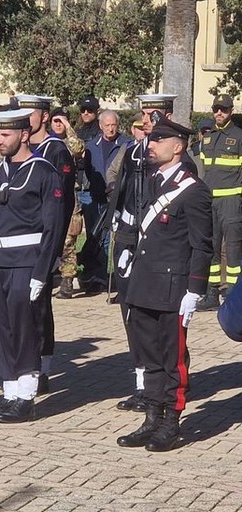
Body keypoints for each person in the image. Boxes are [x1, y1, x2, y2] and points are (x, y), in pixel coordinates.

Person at [116, 116, 212, 452]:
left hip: (172, 289)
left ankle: (171, 422)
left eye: (159, 140)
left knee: (173, 360)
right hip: (144, 284)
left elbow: (202, 246)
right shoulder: (152, 181)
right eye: (151, 139)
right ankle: (152, 417)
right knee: (149, 357)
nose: (151, 145)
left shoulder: (193, 190)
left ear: (178, 146)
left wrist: (195, 290)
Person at [0, 108, 65, 423]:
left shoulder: (43, 172)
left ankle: (26, 397)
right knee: (2, 328)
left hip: (26, 262)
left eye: (6, 135)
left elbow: (53, 226)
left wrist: (42, 273)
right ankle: (10, 392)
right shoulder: (0, 169)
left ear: (24, 135)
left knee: (24, 329)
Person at [105, 93, 178, 412]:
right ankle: (142, 384)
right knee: (132, 314)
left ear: (168, 116)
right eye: (144, 114)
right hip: (128, 237)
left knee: (159, 321)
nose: (146, 120)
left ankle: (167, 386)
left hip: (156, 247)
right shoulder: (133, 151)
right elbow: (120, 189)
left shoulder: (177, 156)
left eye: (154, 114)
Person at [16, 94, 75, 394]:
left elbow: (62, 204)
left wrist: (55, 248)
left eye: (31, 113)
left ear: (44, 116)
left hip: (44, 240)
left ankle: (43, 366)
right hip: (18, 242)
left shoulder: (56, 150)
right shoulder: (19, 146)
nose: (25, 118)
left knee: (39, 307)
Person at [196, 94, 242, 311]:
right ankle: (212, 293)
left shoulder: (239, 136)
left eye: (223, 109)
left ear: (231, 111)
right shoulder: (207, 138)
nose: (219, 113)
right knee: (211, 248)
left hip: (232, 201)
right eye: (216, 109)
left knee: (233, 250)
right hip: (210, 200)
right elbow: (204, 170)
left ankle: (233, 296)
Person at [79, 110, 130, 292]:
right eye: (107, 125)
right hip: (94, 196)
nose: (110, 129)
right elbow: (88, 169)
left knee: (110, 239)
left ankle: (106, 277)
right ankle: (94, 275)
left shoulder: (126, 144)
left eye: (113, 125)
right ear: (100, 126)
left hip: (117, 198)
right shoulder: (92, 145)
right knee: (95, 236)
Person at [48, 107, 84, 299]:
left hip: (68, 195)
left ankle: (67, 279)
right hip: (48, 195)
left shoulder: (70, 142)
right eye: (56, 121)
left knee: (69, 239)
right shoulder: (46, 143)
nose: (59, 124)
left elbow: (78, 149)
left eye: (63, 121)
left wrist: (69, 128)